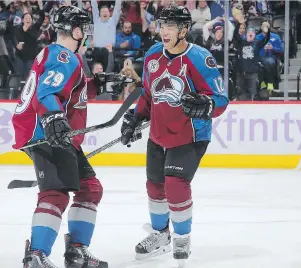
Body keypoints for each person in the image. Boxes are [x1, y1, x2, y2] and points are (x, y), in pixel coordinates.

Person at [11, 6, 124, 268]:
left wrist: (97, 85)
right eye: (84, 29)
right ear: (75, 30)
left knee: (89, 189)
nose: (86, 34)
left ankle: (76, 253)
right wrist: (52, 119)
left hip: (57, 132)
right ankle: (36, 255)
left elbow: (68, 89)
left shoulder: (58, 54)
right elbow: (48, 93)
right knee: (55, 194)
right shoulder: (64, 57)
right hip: (47, 132)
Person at [119, 5, 229, 266]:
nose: (163, 31)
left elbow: (221, 99)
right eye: (161, 25)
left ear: (183, 30)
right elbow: (148, 95)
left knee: (175, 184)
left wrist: (207, 105)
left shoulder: (200, 57)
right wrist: (136, 118)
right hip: (158, 134)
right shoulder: (153, 55)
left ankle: (181, 237)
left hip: (190, 135)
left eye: (169, 26)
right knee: (154, 186)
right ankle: (160, 235)